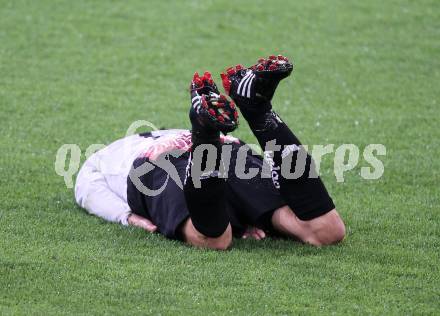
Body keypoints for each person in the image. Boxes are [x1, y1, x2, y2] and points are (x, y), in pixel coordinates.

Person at [74, 55, 345, 250]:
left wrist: (126, 216)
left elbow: (85, 183)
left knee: (214, 239)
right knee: (326, 231)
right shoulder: (163, 136)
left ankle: (206, 134)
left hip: (156, 164)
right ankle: (256, 110)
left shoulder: (113, 152)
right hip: (231, 150)